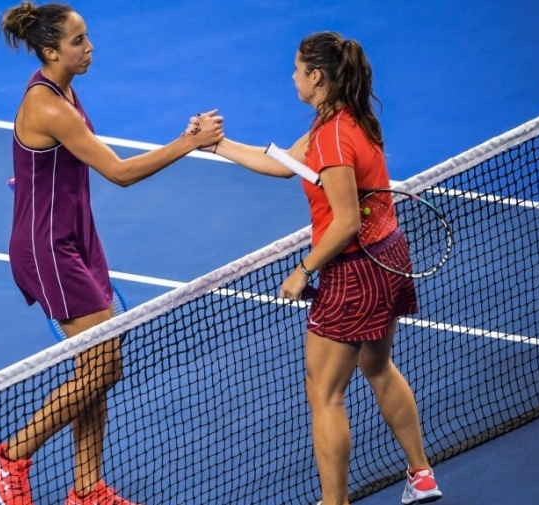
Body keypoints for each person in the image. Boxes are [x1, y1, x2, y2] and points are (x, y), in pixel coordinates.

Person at [0, 3, 223, 505]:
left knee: (96, 367)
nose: (89, 48)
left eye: (87, 38)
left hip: (79, 239)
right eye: (78, 41)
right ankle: (8, 458)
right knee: (103, 368)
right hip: (49, 249)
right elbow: (120, 173)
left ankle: (86, 490)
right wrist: (189, 142)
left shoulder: (62, 86)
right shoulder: (48, 105)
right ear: (51, 51)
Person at [190, 32, 442, 505]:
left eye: (297, 69)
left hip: (355, 270)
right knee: (377, 363)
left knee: (324, 392)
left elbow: (345, 222)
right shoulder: (349, 117)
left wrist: (303, 269)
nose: (292, 76)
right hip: (388, 255)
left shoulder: (330, 137)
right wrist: (217, 145)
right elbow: (287, 164)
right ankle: (422, 475)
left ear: (317, 77)